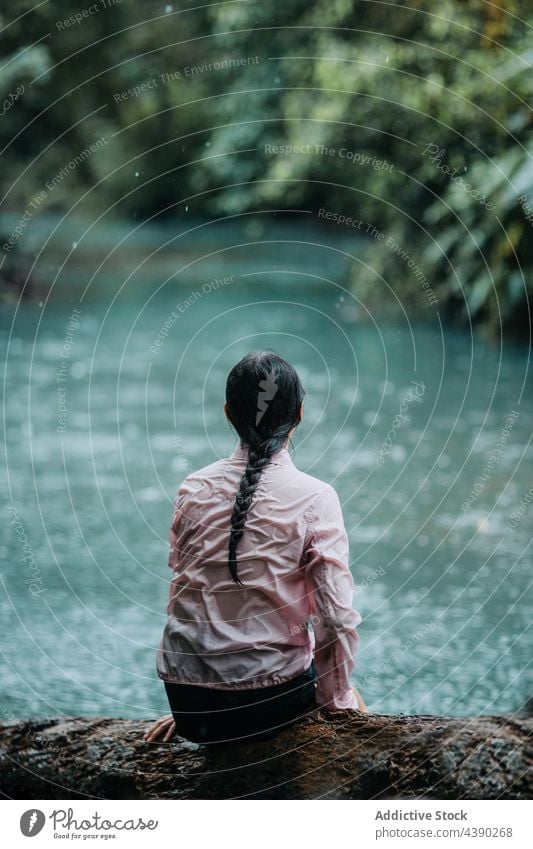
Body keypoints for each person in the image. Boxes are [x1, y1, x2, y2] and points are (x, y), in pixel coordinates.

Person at [144, 350, 367, 746]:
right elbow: (336, 621)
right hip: (268, 705)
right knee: (349, 696)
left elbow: (187, 587)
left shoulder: (193, 488)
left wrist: (201, 697)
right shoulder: (316, 498)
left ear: (229, 413)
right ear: (298, 414)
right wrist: (337, 703)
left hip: (189, 704)